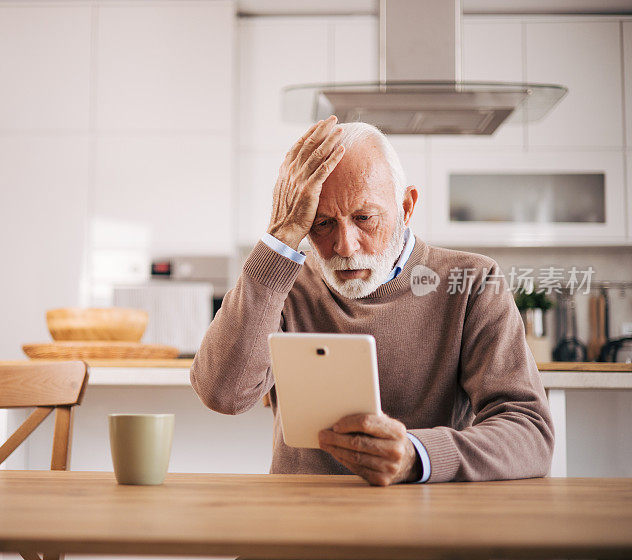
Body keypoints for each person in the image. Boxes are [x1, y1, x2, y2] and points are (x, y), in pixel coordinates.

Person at [190, 115, 554, 486]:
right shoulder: (282, 282)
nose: (344, 247)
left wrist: (417, 456)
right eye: (321, 223)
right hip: (299, 523)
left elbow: (530, 434)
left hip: (429, 522)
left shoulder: (472, 281)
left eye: (364, 218)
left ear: (407, 208)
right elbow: (223, 394)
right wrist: (280, 237)